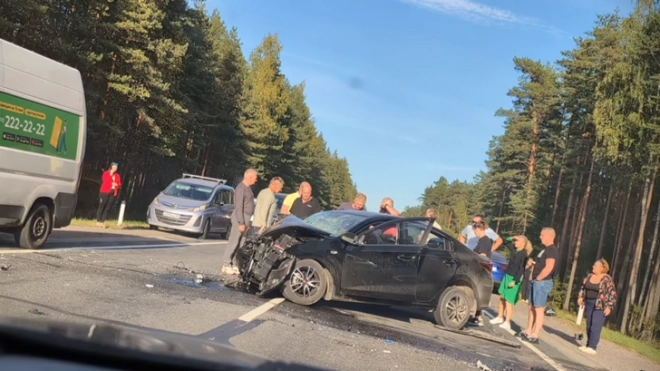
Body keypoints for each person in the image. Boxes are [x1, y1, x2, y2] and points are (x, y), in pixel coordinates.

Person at [518, 227, 558, 343]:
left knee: (539, 309)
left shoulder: (552, 250)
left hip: (542, 282)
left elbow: (549, 266)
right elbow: (542, 264)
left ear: (549, 236)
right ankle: (528, 330)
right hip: (536, 281)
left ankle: (536, 335)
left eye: (542, 235)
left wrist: (540, 278)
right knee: (531, 307)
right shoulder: (545, 250)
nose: (540, 237)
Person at [490, 235, 533, 330]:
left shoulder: (524, 254)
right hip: (507, 275)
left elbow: (521, 269)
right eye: (515, 241)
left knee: (508, 301)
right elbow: (506, 241)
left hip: (514, 278)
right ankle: (499, 317)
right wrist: (513, 237)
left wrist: (515, 281)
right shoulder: (514, 249)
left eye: (518, 241)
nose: (515, 242)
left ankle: (507, 322)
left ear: (523, 243)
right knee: (502, 297)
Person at [577, 259, 617, 355]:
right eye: (594, 265)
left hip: (600, 305)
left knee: (596, 325)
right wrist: (581, 297)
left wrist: (609, 307)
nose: (593, 267)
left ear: (602, 268)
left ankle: (592, 347)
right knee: (589, 324)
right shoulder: (590, 276)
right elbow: (583, 288)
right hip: (589, 303)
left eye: (595, 266)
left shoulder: (607, 279)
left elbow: (613, 294)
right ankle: (588, 344)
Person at [222, 168, 258, 275]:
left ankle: (232, 263)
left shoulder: (248, 189)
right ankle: (226, 264)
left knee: (239, 243)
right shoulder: (241, 188)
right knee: (234, 241)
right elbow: (239, 207)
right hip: (241, 218)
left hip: (247, 218)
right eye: (255, 178)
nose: (256, 180)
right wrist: (241, 222)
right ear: (249, 176)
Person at [469, 221, 492, 326]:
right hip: (480, 270)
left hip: (481, 270)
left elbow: (482, 255)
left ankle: (479, 317)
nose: (474, 233)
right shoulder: (482, 240)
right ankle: (476, 315)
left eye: (475, 230)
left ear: (479, 229)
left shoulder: (484, 241)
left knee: (478, 292)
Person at [96, 162, 122, 228]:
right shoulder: (106, 173)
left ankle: (102, 221)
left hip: (113, 193)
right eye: (113, 167)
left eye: (116, 167)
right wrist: (111, 175)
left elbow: (119, 184)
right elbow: (105, 181)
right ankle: (98, 221)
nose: (115, 168)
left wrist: (116, 185)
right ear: (111, 167)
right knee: (102, 206)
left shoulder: (117, 176)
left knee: (107, 207)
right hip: (104, 192)